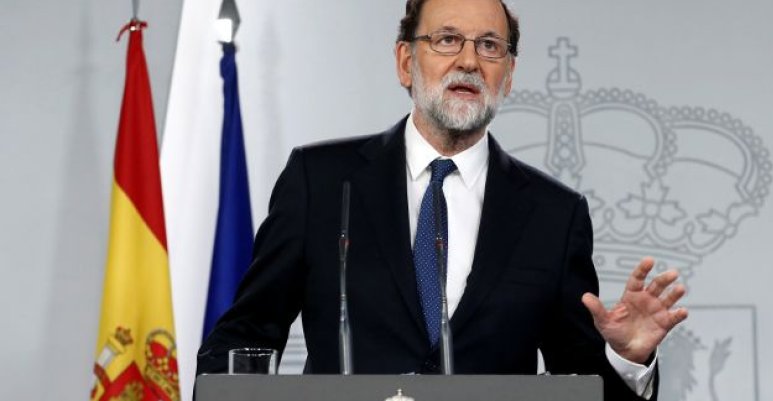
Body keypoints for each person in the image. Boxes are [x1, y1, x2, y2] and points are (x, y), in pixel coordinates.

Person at [197, 0, 688, 400]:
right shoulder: (321, 183)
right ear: (406, 61)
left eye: (490, 46)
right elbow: (245, 338)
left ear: (509, 74)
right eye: (447, 39)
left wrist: (627, 360)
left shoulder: (553, 215)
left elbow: (582, 387)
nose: (469, 61)